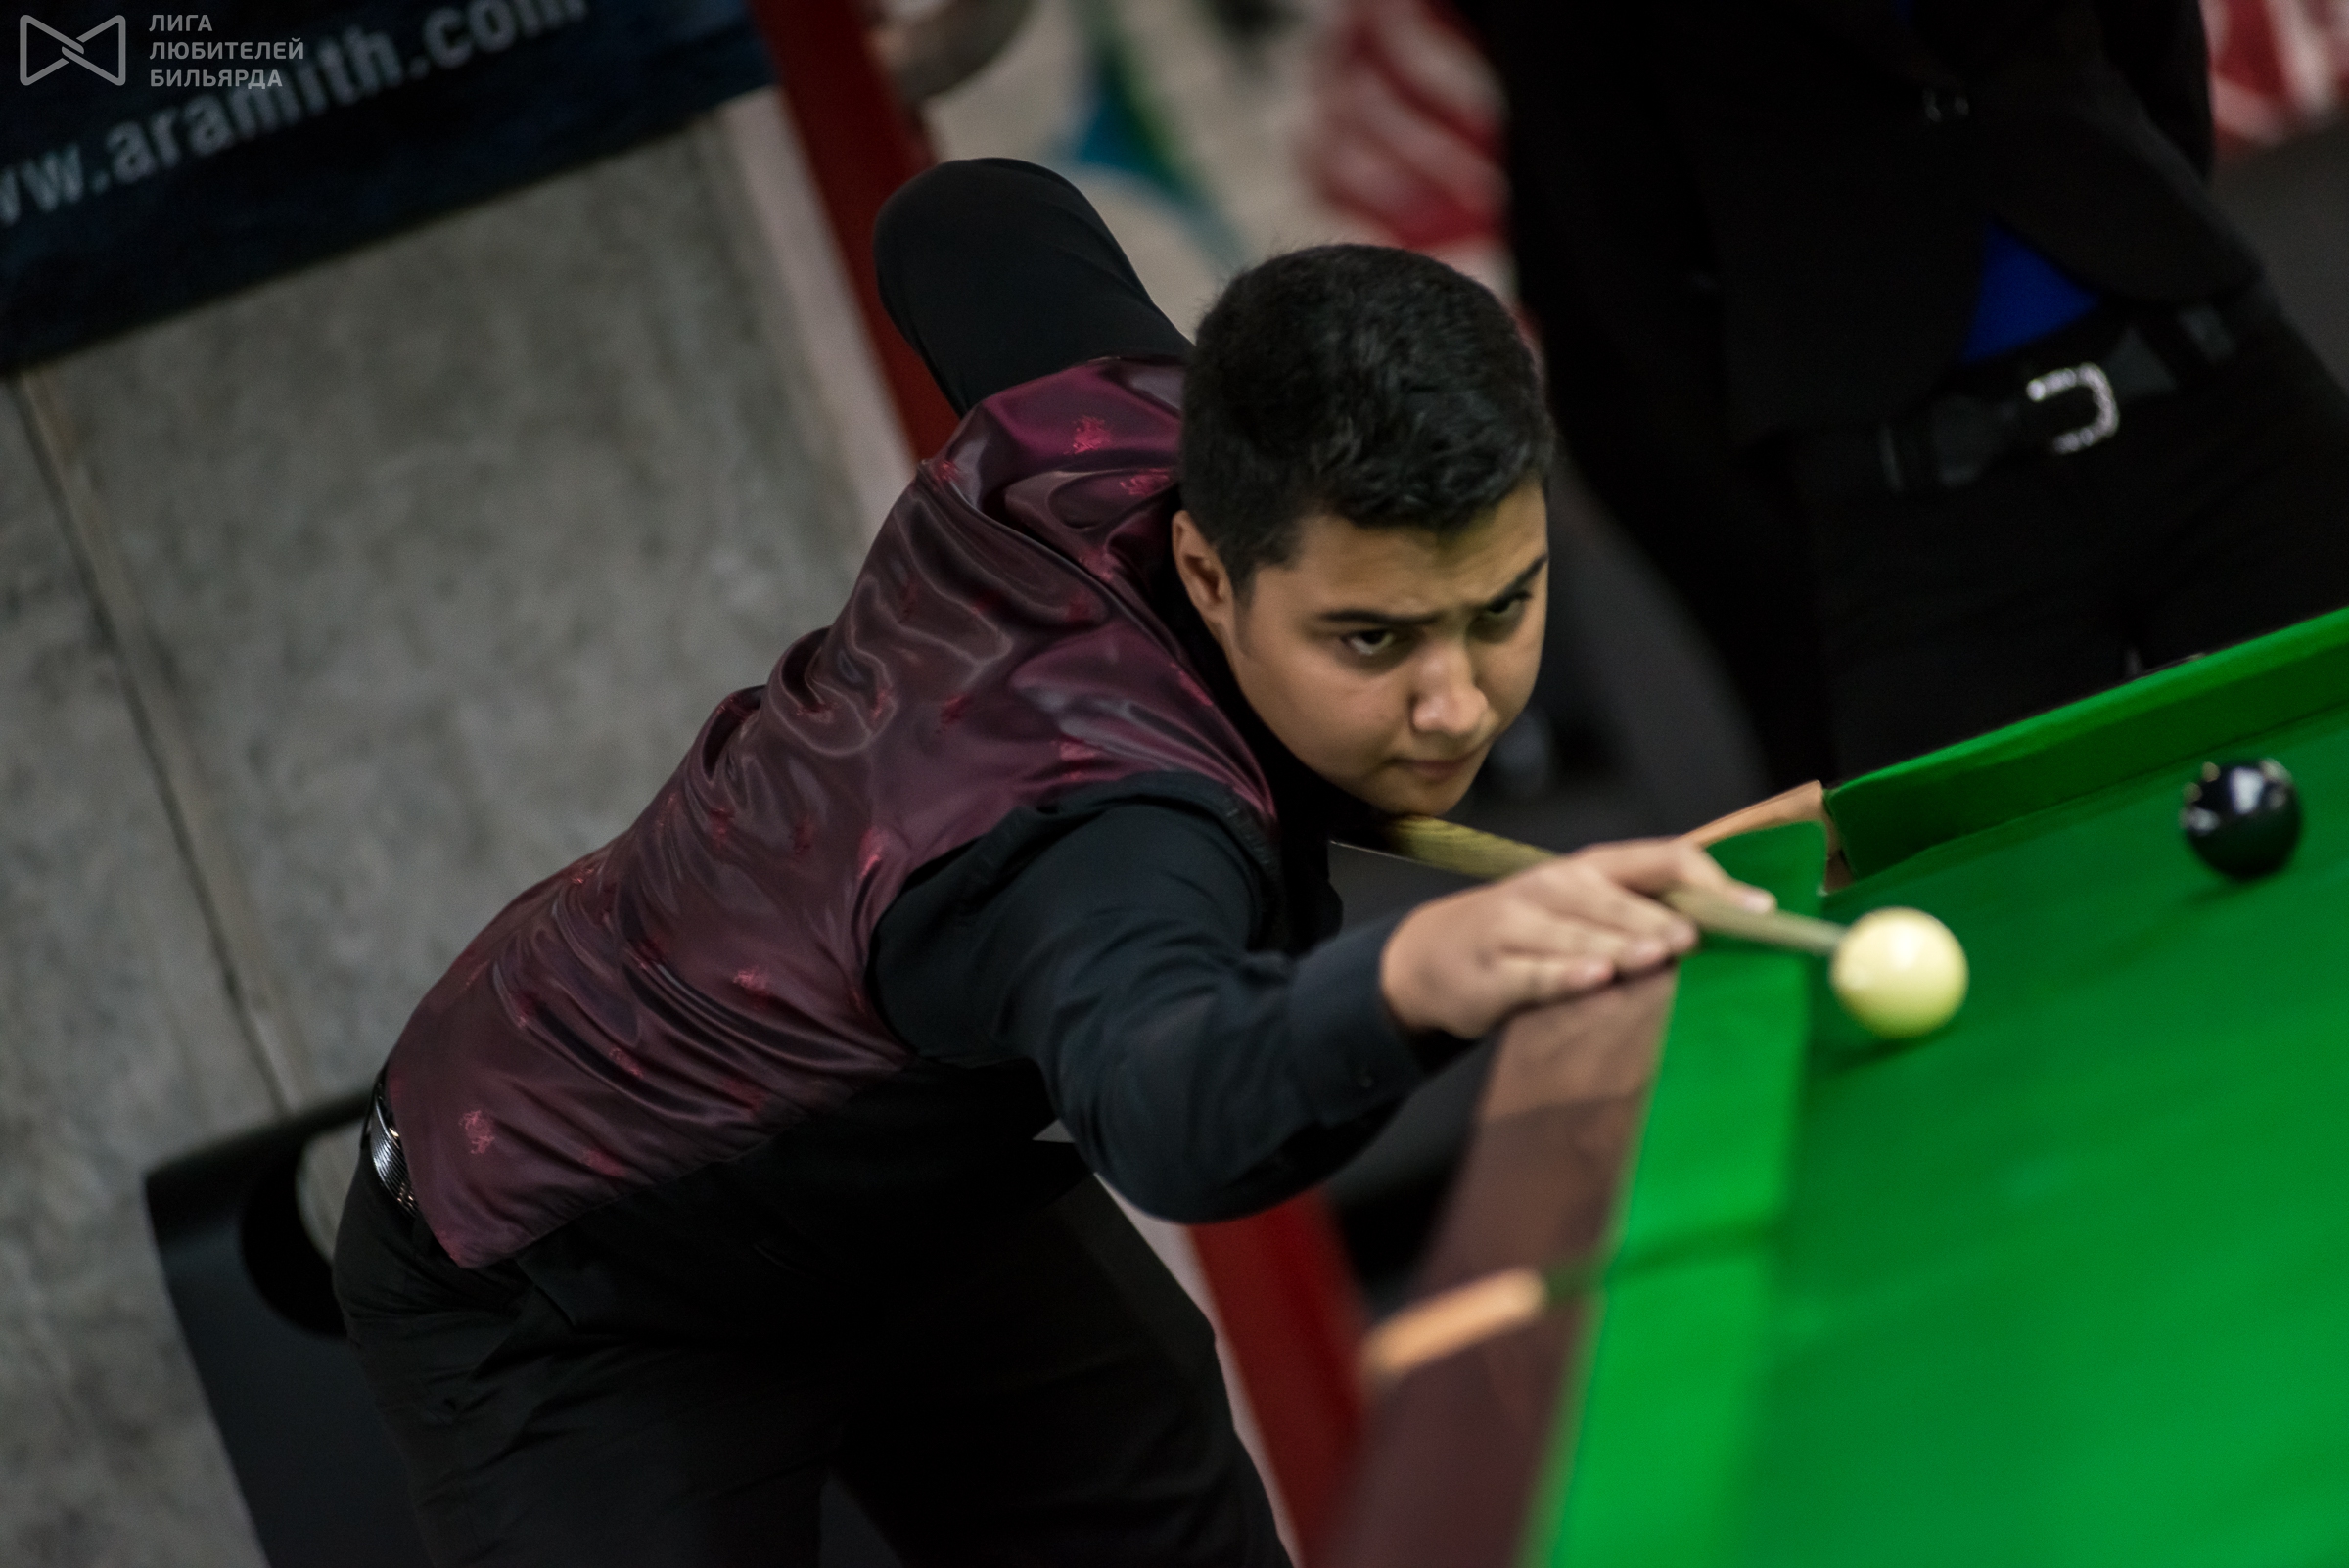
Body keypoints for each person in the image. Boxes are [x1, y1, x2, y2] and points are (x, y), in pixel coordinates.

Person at [331, 158, 1771, 1568]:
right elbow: (1168, 1103)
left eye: (1500, 608)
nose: (1455, 704)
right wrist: (1425, 975)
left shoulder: (1159, 417)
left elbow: (961, 217)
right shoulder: (1104, 833)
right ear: (1206, 570)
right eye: (1373, 638)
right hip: (571, 1263)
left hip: (913, 1179)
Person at [1458, 0, 2349, 776]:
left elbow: (2154, 48)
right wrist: (1820, 435)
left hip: (2210, 389)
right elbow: (1622, 246)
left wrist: (2147, 232)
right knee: (1980, 888)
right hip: (1905, 505)